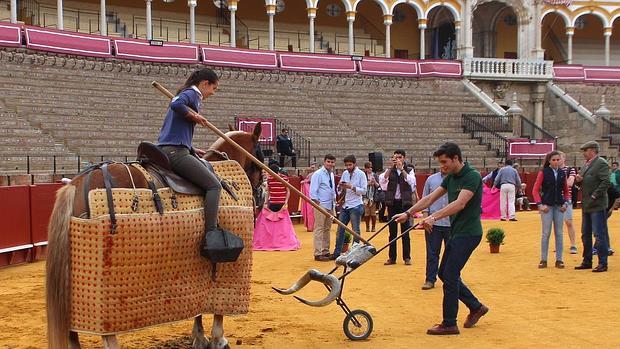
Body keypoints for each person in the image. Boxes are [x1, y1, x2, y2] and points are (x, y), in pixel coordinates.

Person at [394, 142, 487, 335]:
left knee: (450, 275)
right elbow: (430, 198)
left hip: (469, 233)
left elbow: (460, 204)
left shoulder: (472, 176)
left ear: (456, 158)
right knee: (444, 273)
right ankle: (476, 307)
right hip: (457, 232)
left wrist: (433, 217)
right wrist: (409, 213)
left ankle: (449, 323)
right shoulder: (451, 177)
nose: (442, 166)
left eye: (444, 162)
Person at [157, 68, 229, 244]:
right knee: (214, 186)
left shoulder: (187, 94)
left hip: (171, 147)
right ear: (205, 83)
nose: (213, 93)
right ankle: (211, 234)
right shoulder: (192, 93)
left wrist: (191, 148)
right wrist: (194, 116)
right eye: (213, 88)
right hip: (175, 152)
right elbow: (175, 104)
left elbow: (175, 129)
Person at [574, 141, 610, 273]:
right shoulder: (587, 165)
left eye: (585, 150)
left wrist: (595, 195)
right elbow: (587, 181)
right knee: (585, 234)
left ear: (592, 150)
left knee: (599, 234)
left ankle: (603, 262)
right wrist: (579, 180)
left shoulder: (601, 163)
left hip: (596, 203)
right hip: (587, 203)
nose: (584, 153)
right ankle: (587, 260)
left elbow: (606, 181)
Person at [532, 151, 570, 269]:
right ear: (549, 161)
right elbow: (535, 190)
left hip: (559, 206)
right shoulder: (543, 172)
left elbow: (566, 191)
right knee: (546, 233)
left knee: (559, 233)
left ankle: (559, 260)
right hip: (547, 206)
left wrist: (566, 203)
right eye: (554, 160)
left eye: (558, 160)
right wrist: (540, 204)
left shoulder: (562, 173)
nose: (556, 162)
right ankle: (543, 259)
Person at [380, 149, 417, 266]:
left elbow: (412, 182)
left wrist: (402, 169)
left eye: (400, 157)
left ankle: (407, 257)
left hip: (404, 204)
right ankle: (392, 257)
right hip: (392, 203)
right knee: (392, 232)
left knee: (405, 232)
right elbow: (383, 183)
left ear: (404, 158)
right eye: (395, 158)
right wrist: (390, 168)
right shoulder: (389, 170)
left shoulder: (409, 170)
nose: (398, 160)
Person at [421, 169, 450, 290]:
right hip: (433, 223)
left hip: (451, 223)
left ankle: (452, 278)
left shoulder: (456, 180)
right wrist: (425, 219)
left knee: (452, 254)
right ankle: (430, 279)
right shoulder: (431, 179)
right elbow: (425, 199)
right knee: (432, 253)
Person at [332, 155, 366, 258]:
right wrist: (341, 187)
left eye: (350, 165)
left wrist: (351, 187)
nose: (348, 167)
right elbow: (339, 189)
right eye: (346, 165)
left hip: (356, 204)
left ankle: (354, 253)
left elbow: (364, 191)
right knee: (340, 230)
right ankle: (337, 253)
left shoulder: (361, 174)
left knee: (355, 230)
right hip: (346, 205)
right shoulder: (345, 173)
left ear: (354, 164)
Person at [309, 154, 337, 262]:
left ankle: (325, 251)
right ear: (324, 162)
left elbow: (331, 189)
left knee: (327, 229)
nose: (330, 164)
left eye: (332, 162)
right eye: (328, 162)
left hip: (330, 204)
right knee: (319, 229)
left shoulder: (331, 174)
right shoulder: (318, 174)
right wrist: (317, 204)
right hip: (321, 205)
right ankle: (318, 253)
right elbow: (313, 191)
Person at [559, 152, 578, 254]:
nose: (558, 160)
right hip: (556, 199)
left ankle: (573, 245)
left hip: (566, 199)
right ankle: (559, 244)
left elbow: (570, 183)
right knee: (558, 224)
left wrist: (556, 182)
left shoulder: (570, 169)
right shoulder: (553, 170)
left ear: (564, 158)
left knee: (569, 222)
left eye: (560, 158)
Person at [363, 161, 379, 232]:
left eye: (371, 168)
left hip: (373, 196)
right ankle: (367, 227)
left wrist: (374, 182)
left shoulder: (374, 175)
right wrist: (368, 183)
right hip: (365, 196)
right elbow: (361, 185)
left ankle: (373, 227)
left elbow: (378, 186)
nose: (370, 169)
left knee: (373, 212)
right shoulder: (363, 175)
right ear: (365, 169)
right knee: (366, 212)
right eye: (368, 168)